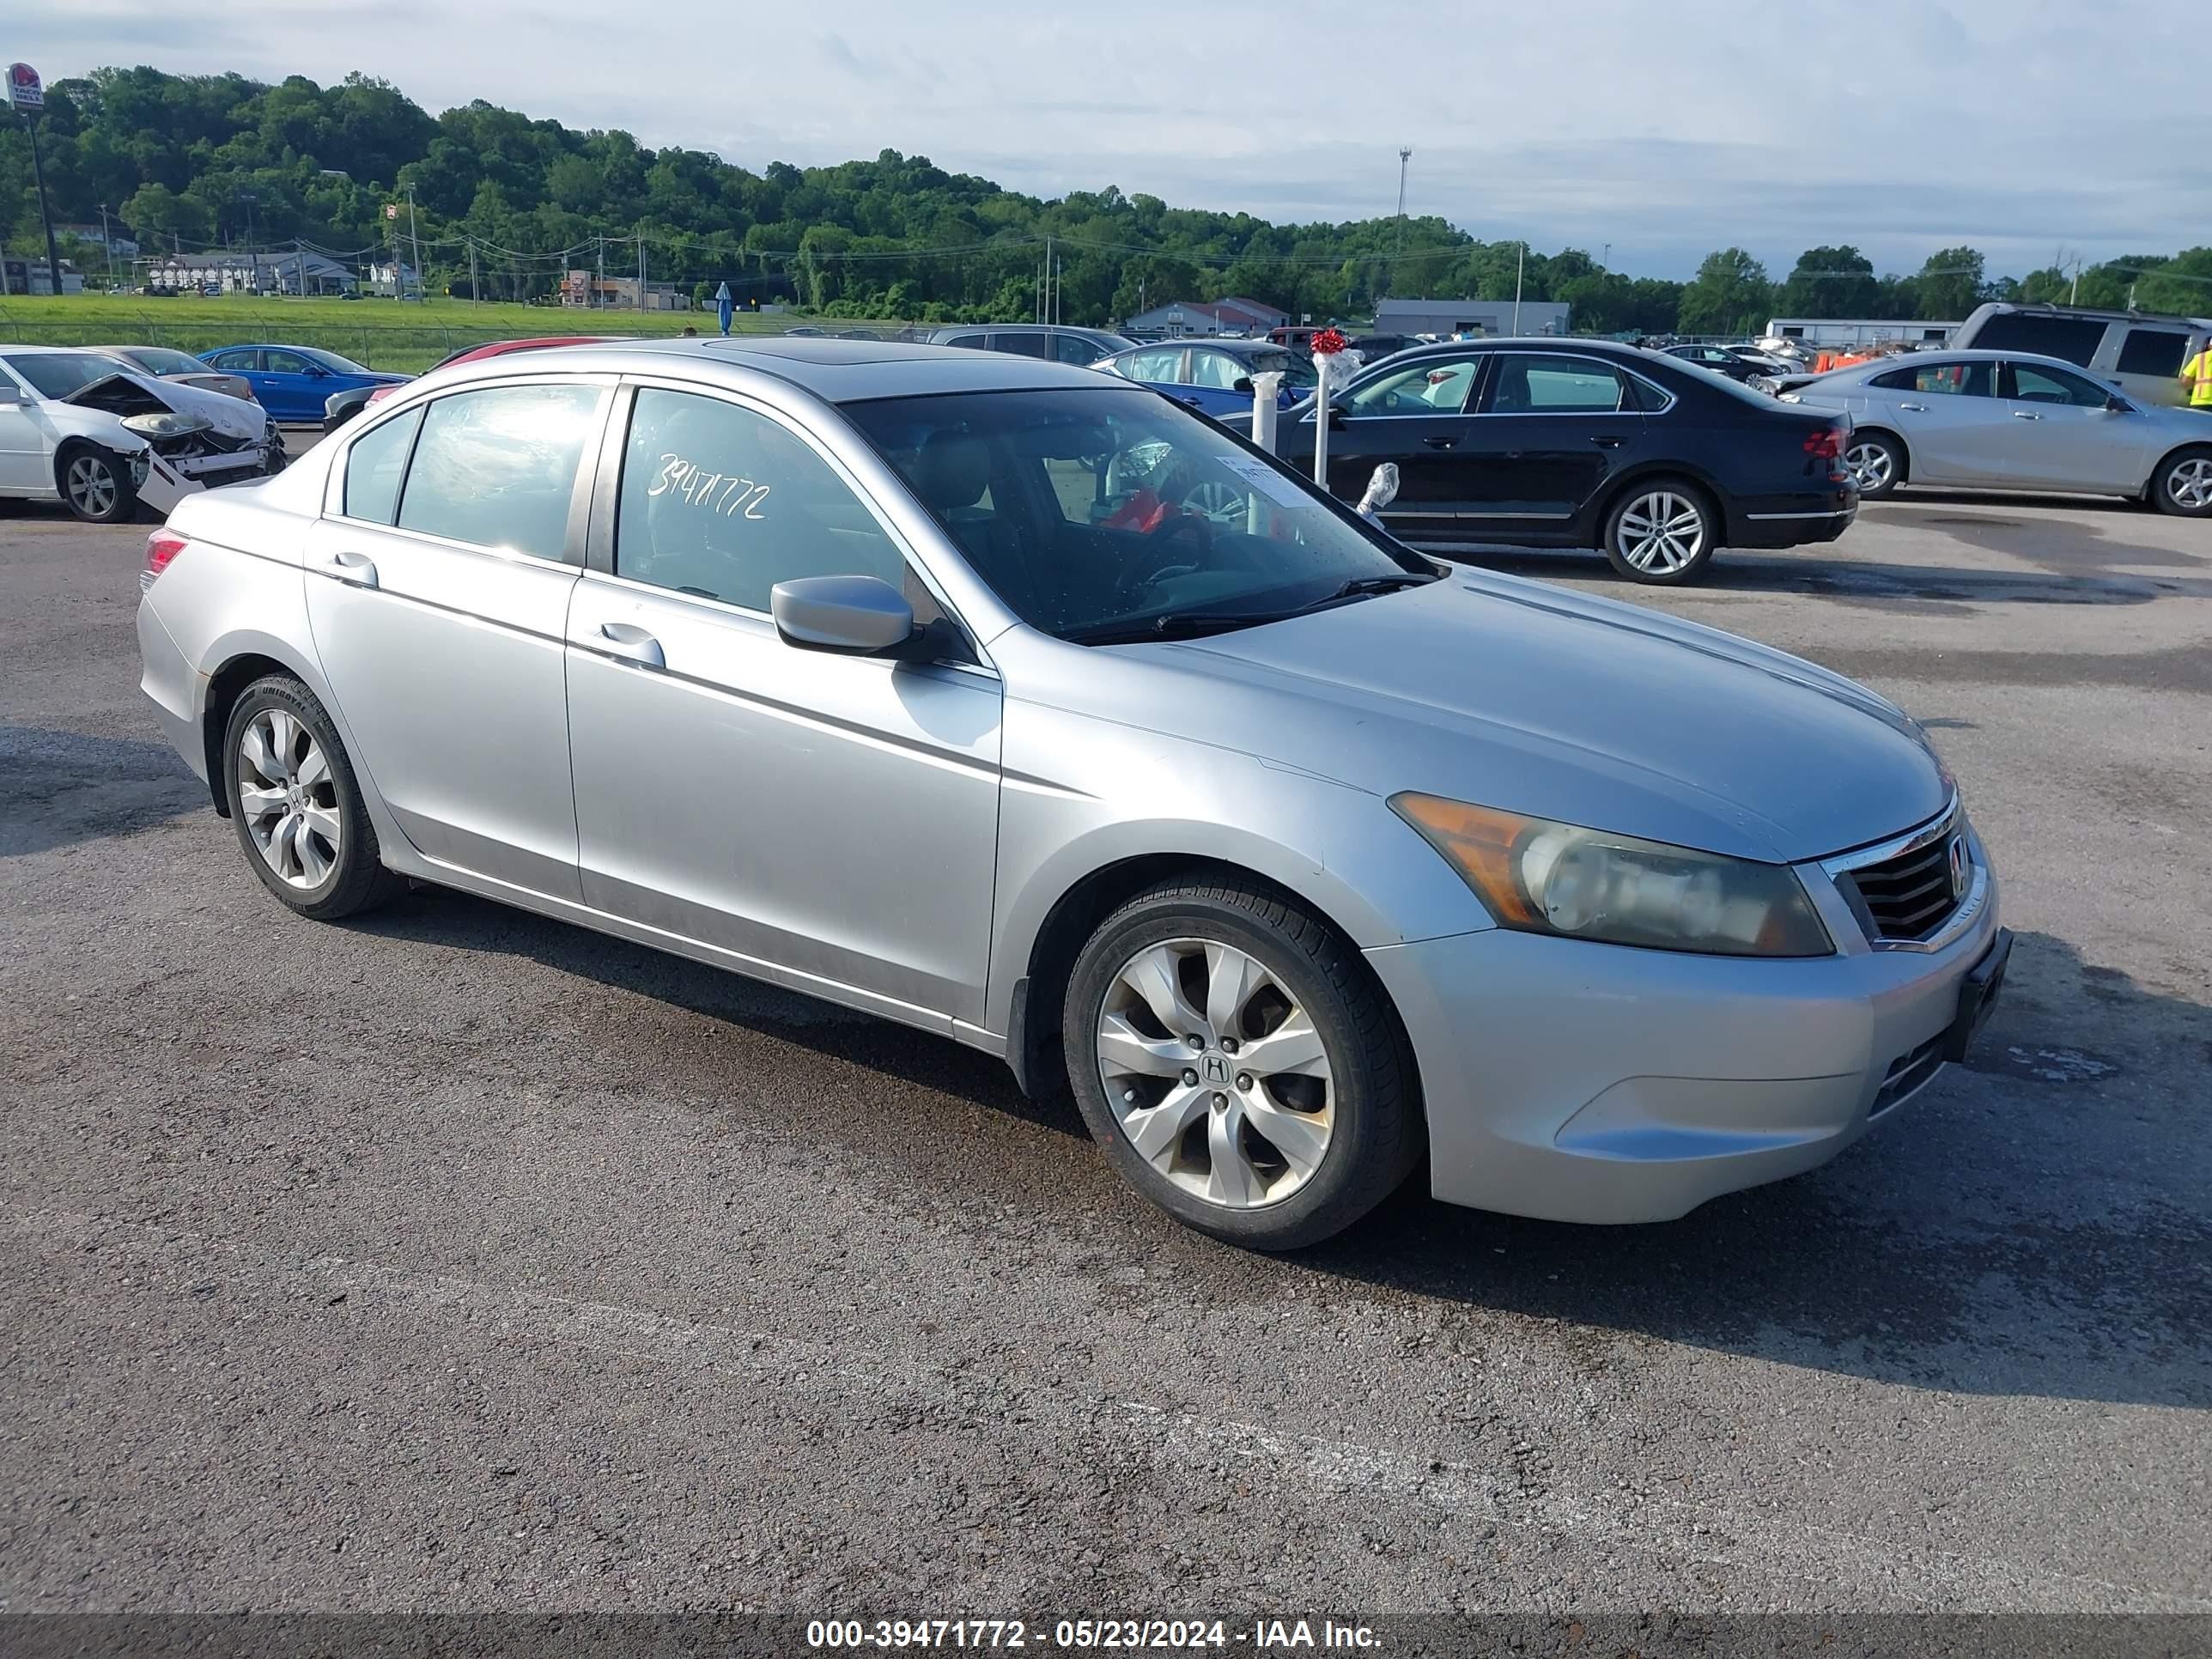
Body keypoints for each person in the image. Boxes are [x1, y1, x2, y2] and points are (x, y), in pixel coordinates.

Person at [2180, 337, 2212, 410]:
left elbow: (2185, 381)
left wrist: (2191, 389)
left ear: (2209, 346)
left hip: (2200, 402)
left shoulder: (2200, 358)